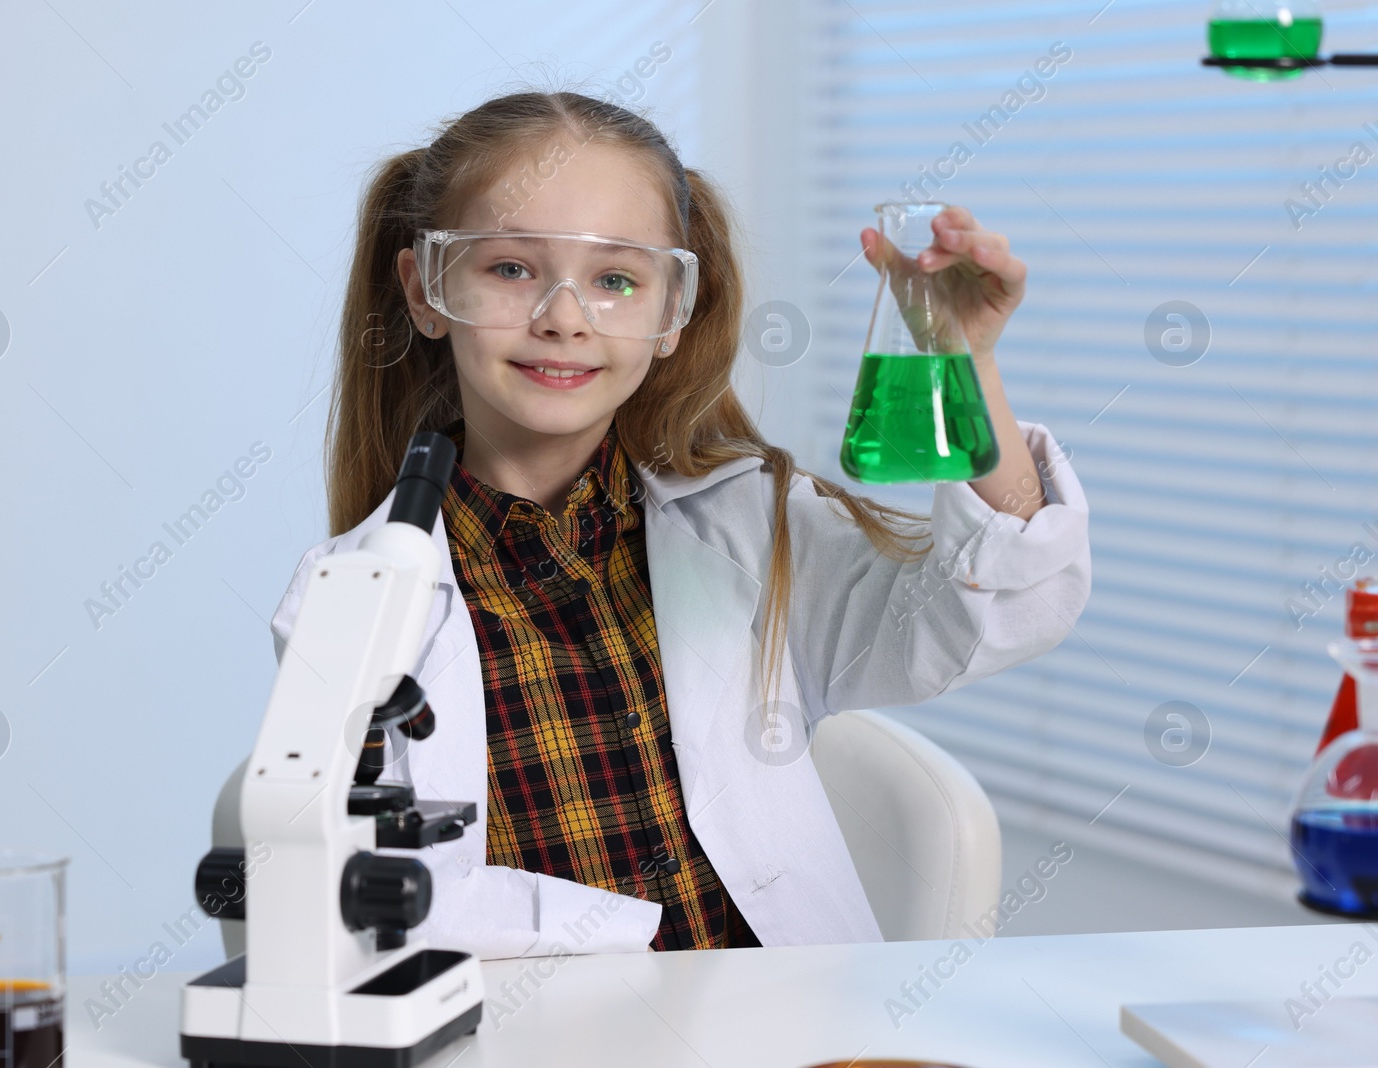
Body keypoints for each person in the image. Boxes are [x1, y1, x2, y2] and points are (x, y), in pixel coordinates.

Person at [271, 90, 1090, 959]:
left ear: (672, 312)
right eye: (510, 267)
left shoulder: (752, 532)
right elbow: (380, 906)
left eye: (615, 280)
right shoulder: (354, 599)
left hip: (782, 1032)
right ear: (428, 290)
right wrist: (634, 939)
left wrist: (966, 358)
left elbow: (994, 608)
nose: (564, 316)